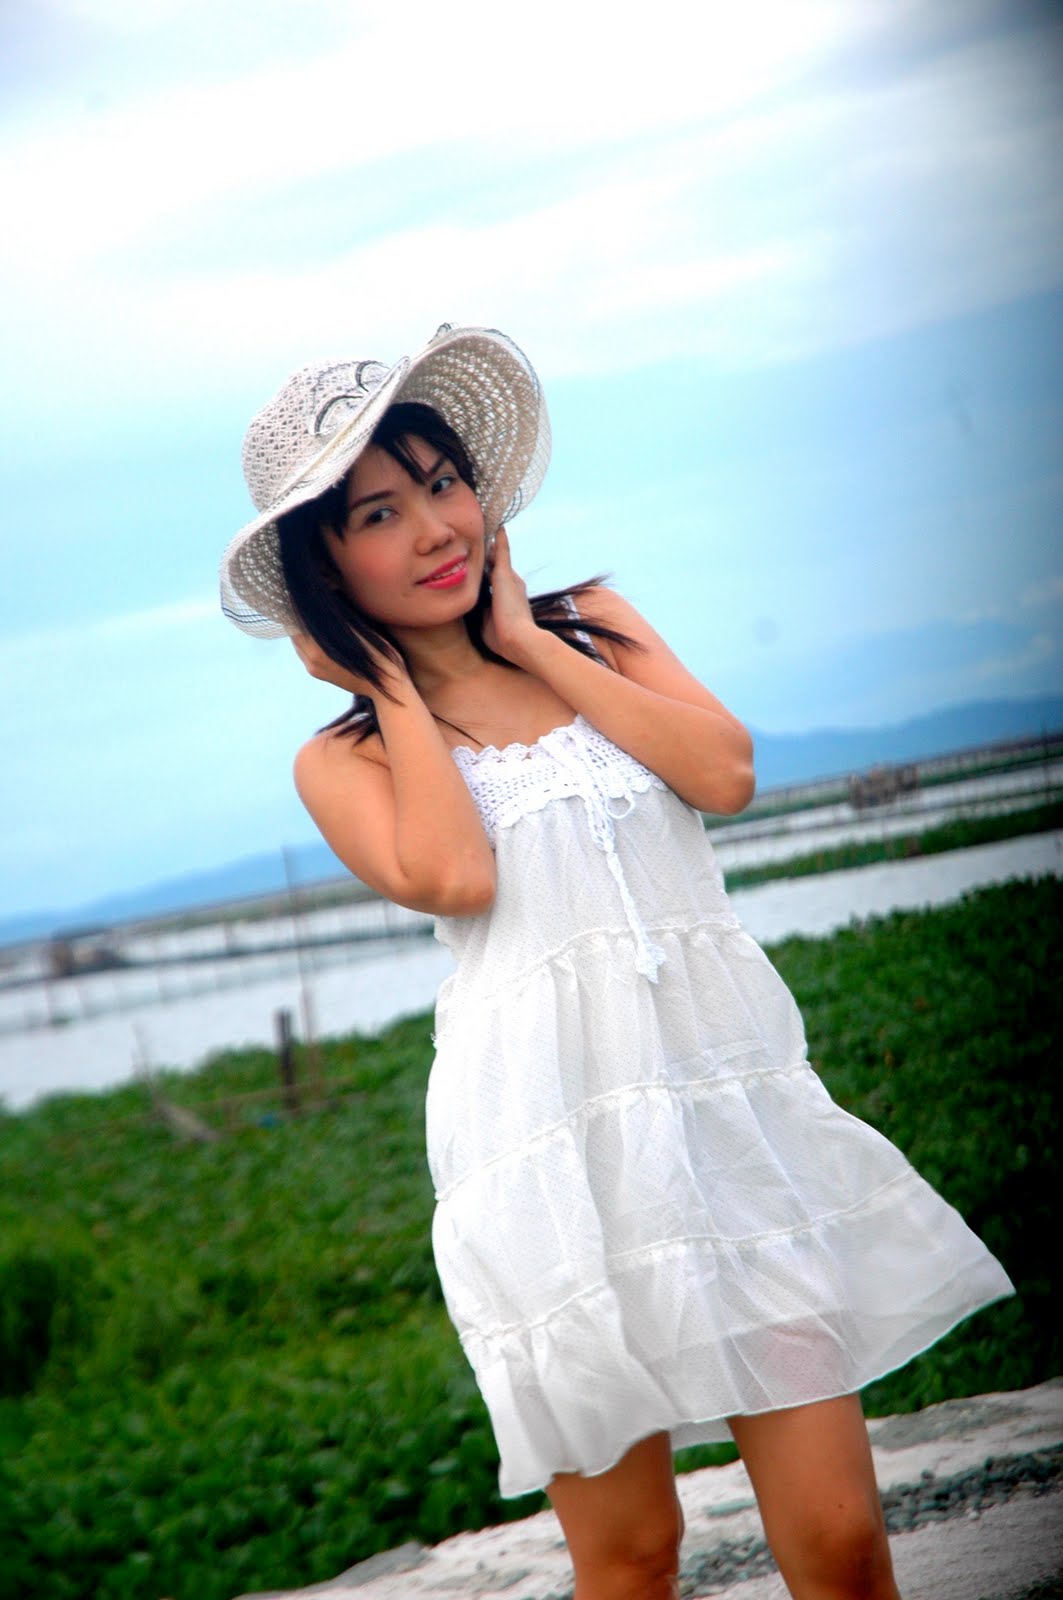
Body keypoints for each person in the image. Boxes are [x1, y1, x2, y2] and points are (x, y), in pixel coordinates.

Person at [220, 324, 1015, 1600]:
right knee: (633, 1555)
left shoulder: (593, 627)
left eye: (442, 483)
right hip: (544, 1151)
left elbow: (725, 772)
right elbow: (457, 875)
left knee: (841, 1542)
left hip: (725, 1116)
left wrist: (532, 641)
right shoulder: (346, 756)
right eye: (378, 513)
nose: (434, 528)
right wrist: (399, 690)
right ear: (326, 568)